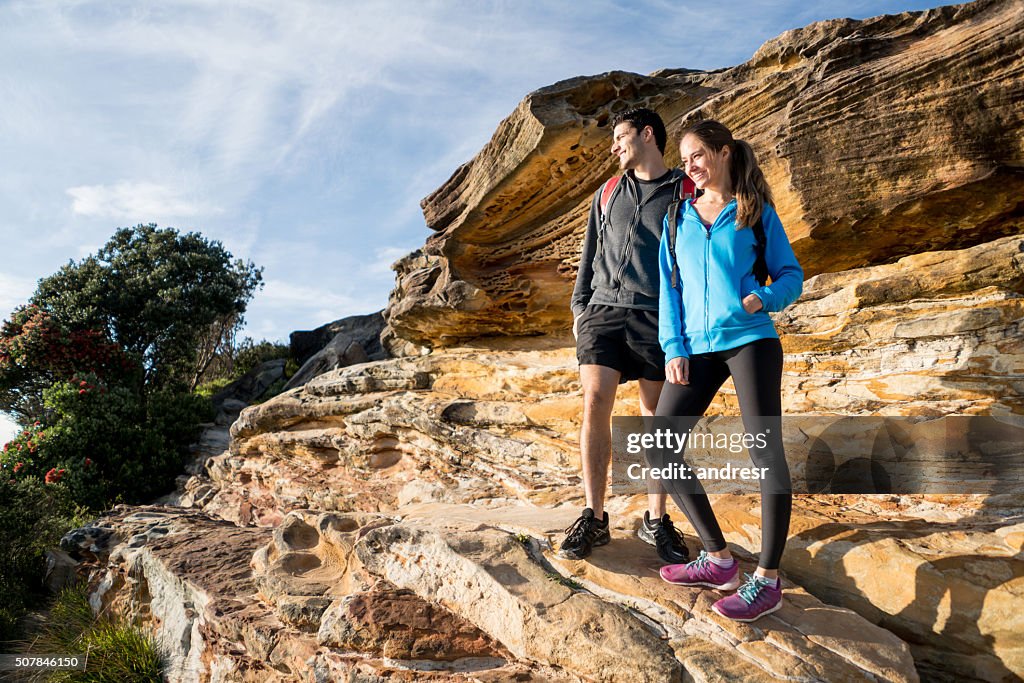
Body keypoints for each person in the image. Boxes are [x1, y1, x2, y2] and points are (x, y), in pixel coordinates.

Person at [654, 119, 803, 622]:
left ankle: (767, 579)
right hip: (695, 349)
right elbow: (668, 293)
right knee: (658, 445)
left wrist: (763, 297)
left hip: (750, 341)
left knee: (764, 451)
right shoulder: (677, 220)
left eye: (697, 155)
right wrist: (673, 348)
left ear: (721, 152)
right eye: (685, 159)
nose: (690, 166)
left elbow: (790, 274)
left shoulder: (754, 212)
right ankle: (718, 559)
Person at [560, 107, 690, 563]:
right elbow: (588, 254)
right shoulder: (608, 191)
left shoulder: (684, 190)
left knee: (655, 416)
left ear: (647, 135)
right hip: (602, 314)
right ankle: (594, 517)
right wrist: (580, 309)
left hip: (657, 318)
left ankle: (656, 519)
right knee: (596, 401)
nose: (614, 146)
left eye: (620, 136)